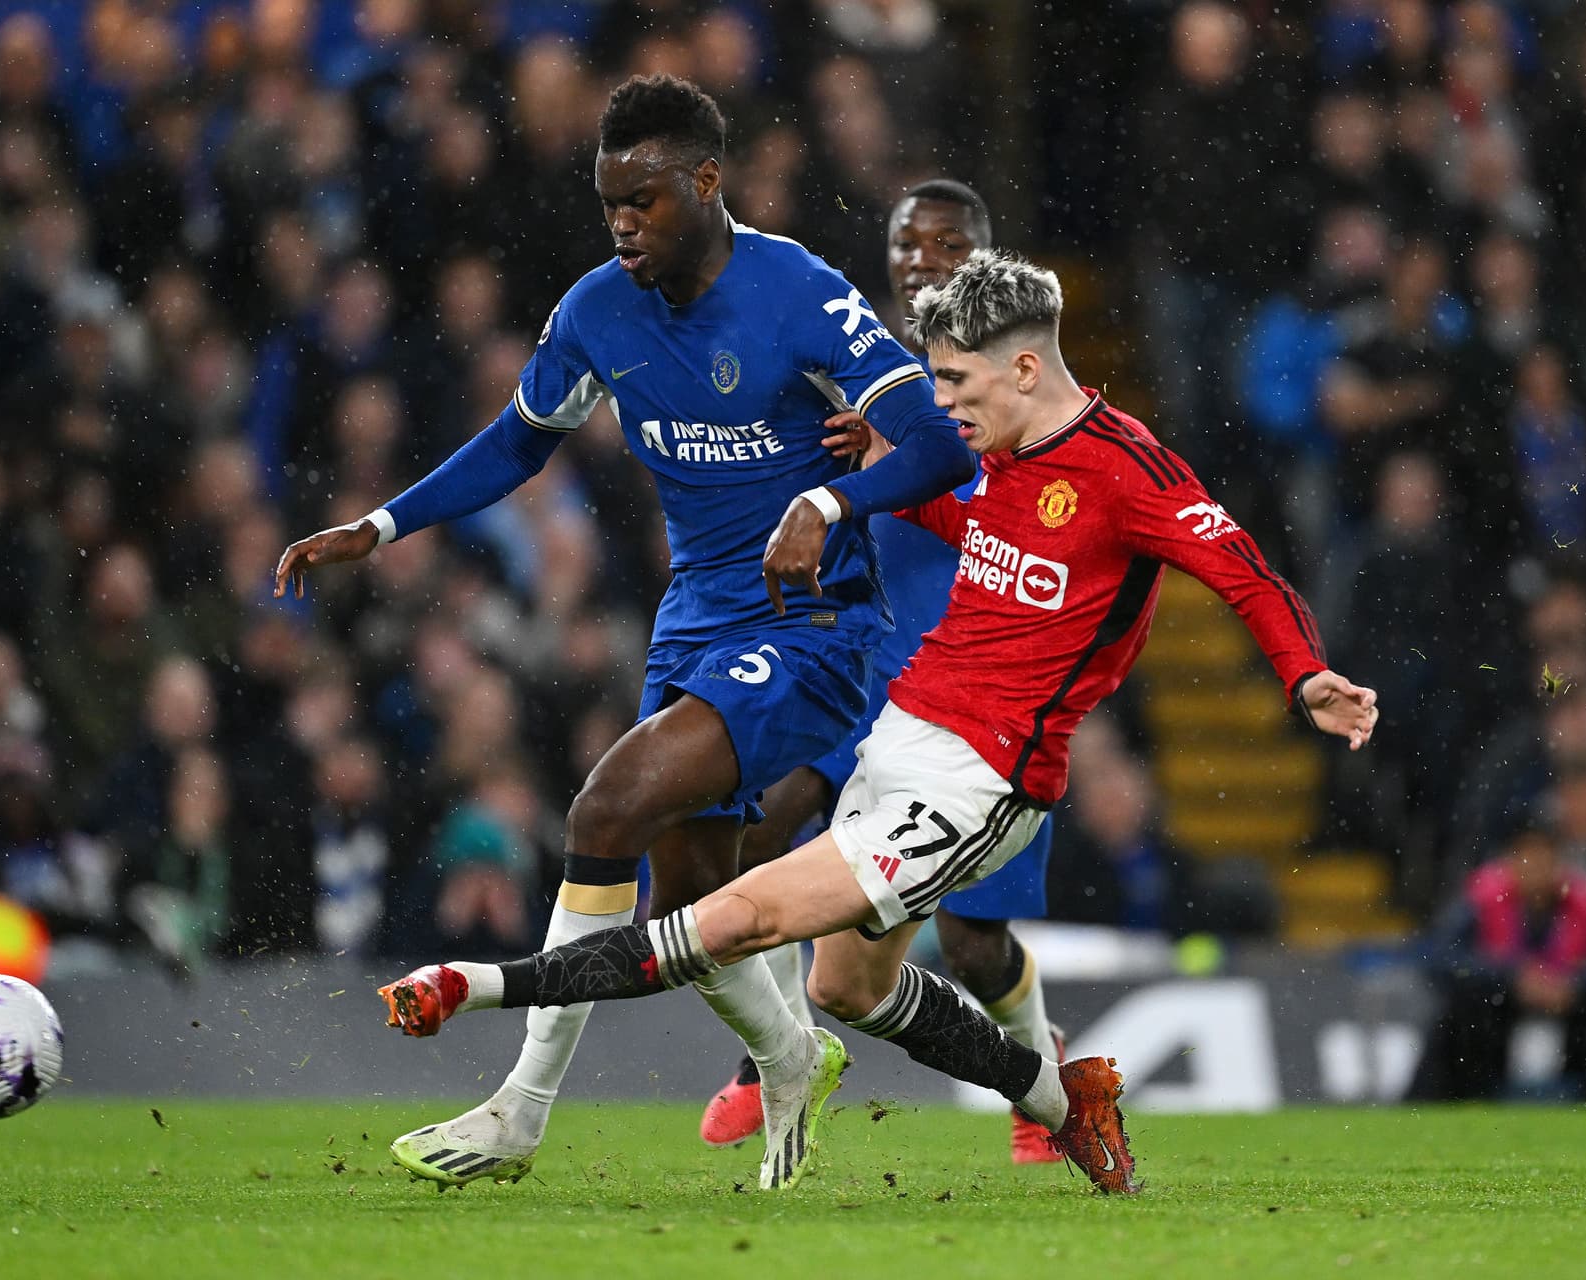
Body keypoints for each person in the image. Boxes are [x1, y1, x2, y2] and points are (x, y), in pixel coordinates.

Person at [376, 248, 1380, 1196]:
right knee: (846, 988)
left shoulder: (1129, 471)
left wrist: (1304, 676)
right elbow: (978, 529)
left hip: (984, 778)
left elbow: (1244, 570)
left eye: (957, 383)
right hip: (900, 736)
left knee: (734, 916)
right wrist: (876, 480)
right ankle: (1060, 1096)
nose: (943, 406)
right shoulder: (1005, 455)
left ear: (1026, 368)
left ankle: (473, 988)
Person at [273, 76, 975, 1191]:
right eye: (609, 205)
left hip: (814, 623)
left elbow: (942, 446)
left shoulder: (799, 291)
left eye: (643, 201)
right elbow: (520, 440)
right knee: (693, 910)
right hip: (694, 618)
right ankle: (792, 1054)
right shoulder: (599, 309)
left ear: (707, 181)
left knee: (605, 807)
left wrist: (829, 501)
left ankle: (520, 1109)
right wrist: (382, 524)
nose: (623, 225)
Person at [699, 180, 1070, 1167]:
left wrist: (894, 471)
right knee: (761, 827)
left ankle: (1036, 1062)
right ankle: (776, 1053)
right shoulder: (858, 363)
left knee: (976, 945)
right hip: (861, 666)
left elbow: (1023, 517)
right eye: (909, 242)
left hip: (975, 693)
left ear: (985, 258)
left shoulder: (1019, 386)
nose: (922, 259)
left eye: (947, 243)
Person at [1406, 818, 1586, 1101]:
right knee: (1464, 1012)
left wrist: (1575, 985)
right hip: (1499, 1005)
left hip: (1573, 1003)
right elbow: (1442, 959)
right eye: (1527, 858)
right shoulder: (1483, 900)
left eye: (1544, 858)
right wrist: (1510, 978)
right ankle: (1459, 1099)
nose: (1535, 868)